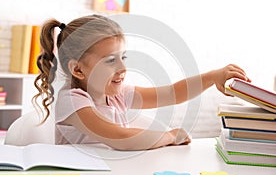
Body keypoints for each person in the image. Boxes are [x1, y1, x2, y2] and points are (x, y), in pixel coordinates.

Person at [33, 14, 250, 151]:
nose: (122, 68)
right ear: (78, 69)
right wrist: (170, 136)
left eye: (123, 57)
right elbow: (120, 138)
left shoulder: (116, 95)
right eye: (110, 60)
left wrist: (212, 76)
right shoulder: (72, 100)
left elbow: (173, 93)